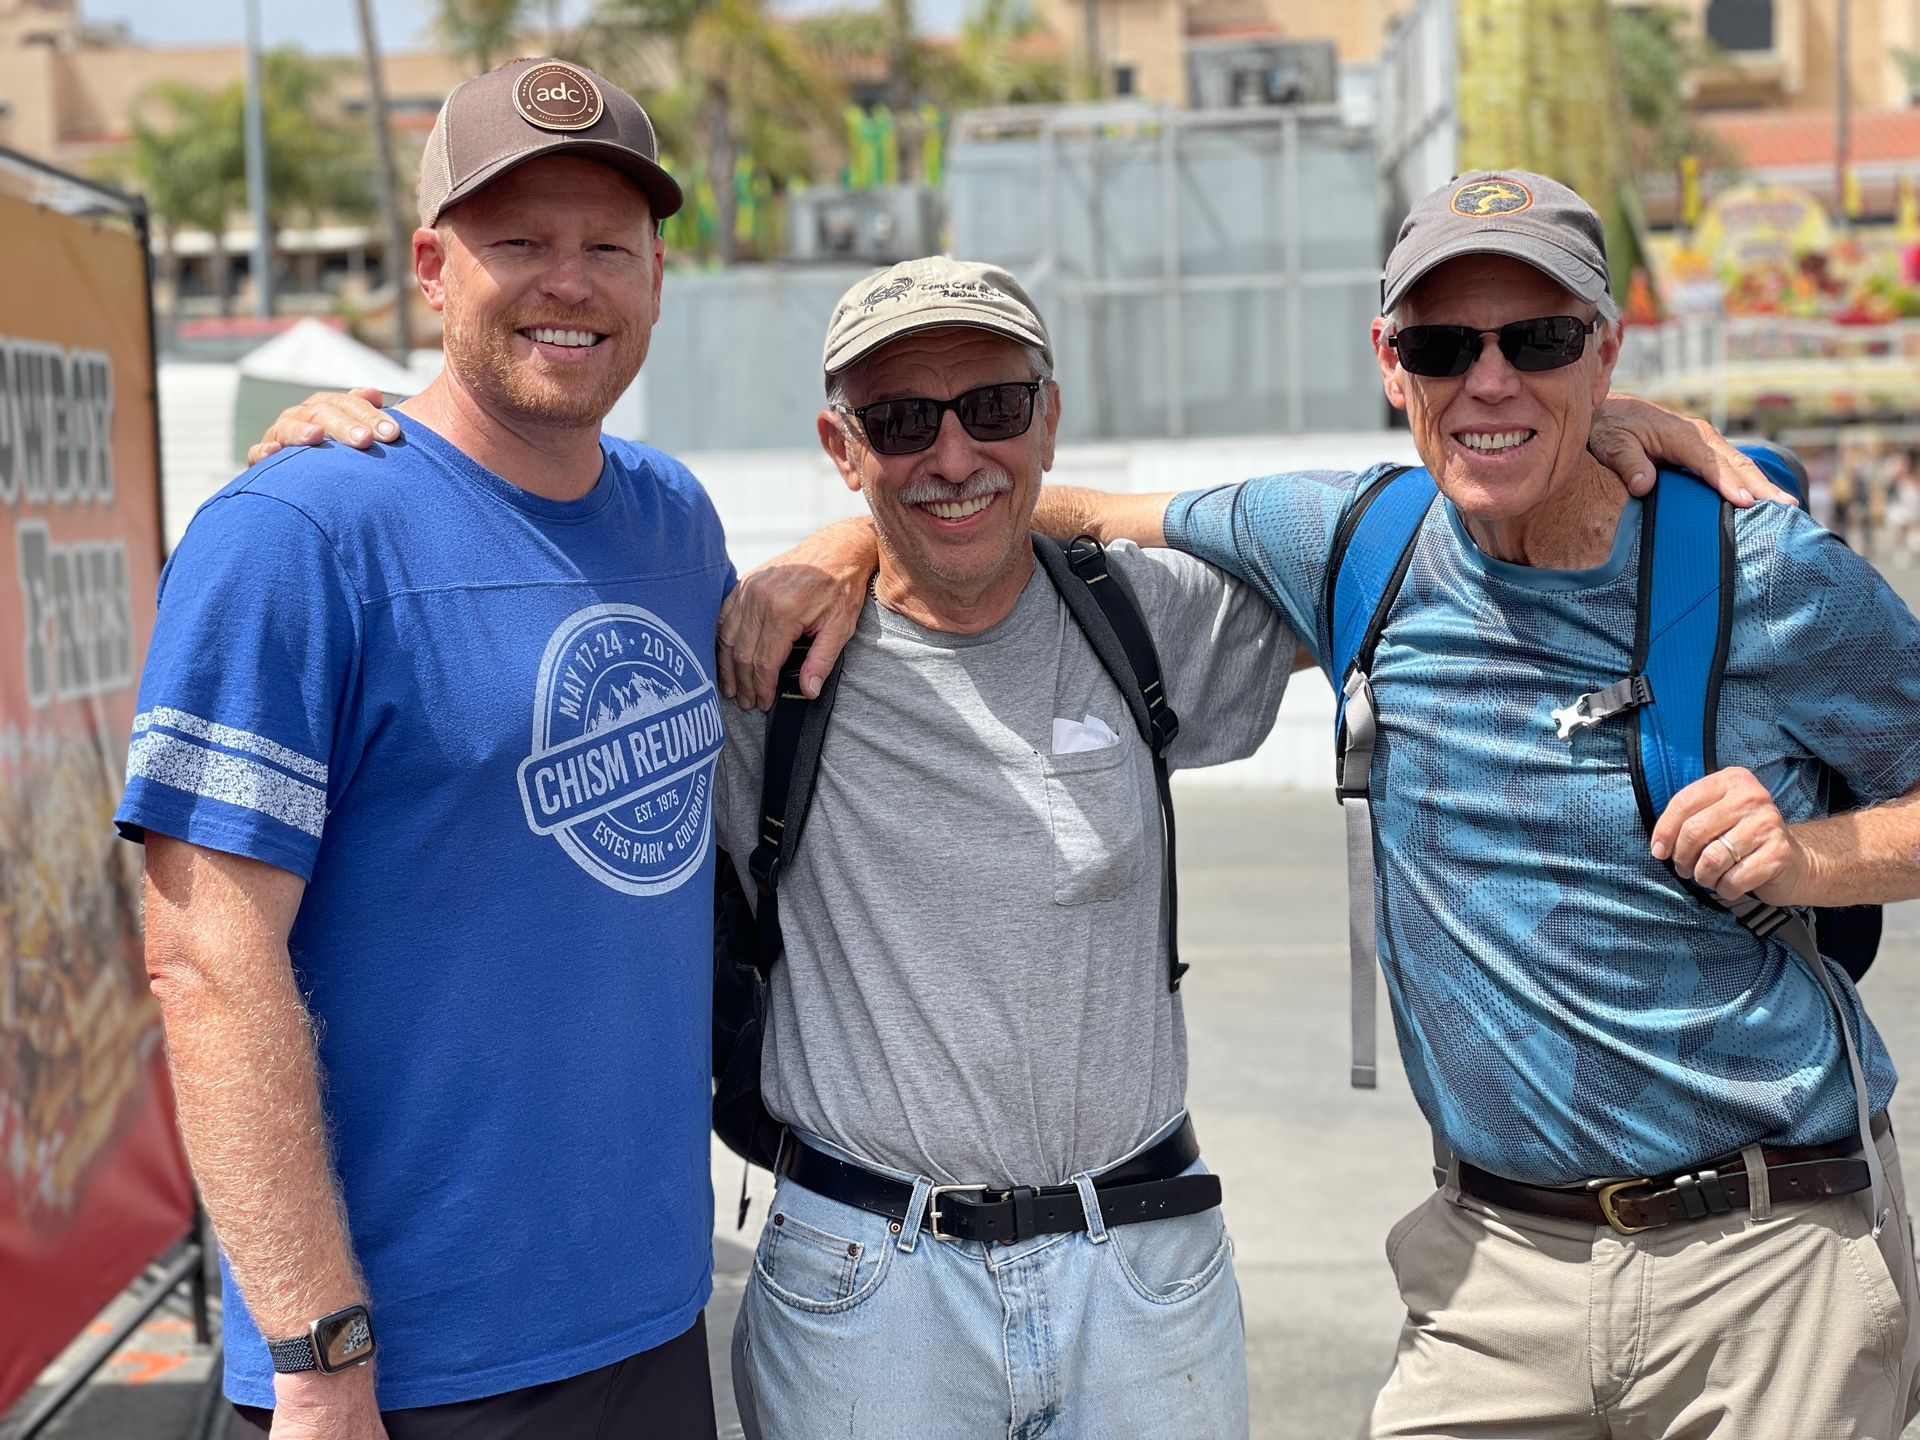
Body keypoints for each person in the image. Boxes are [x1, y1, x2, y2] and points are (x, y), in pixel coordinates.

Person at [265, 260, 1784, 1440]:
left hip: (1148, 1278)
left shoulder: (1152, 620)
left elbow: (1422, 528)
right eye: (901, 422)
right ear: (836, 444)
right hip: (864, 1286)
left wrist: (1601, 433)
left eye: (992, 407)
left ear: (1048, 415)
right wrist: (356, 464)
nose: (953, 454)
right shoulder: (747, 657)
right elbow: (518, 598)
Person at [792, 173, 1918, 1438]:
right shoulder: (1348, 538)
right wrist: (834, 548)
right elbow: (1029, 505)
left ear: (1606, 350)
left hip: (1764, 1265)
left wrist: (1809, 857)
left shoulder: (1761, 571)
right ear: (1394, 366)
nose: (1487, 382)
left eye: (1537, 340)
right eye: (1446, 346)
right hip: (1491, 1274)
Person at [116, 59, 729, 1439]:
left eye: (607, 248)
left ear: (655, 280)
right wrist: (317, 1358)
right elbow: (205, 957)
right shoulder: (296, 533)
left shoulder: (676, 523)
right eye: (518, 241)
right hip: (404, 1378)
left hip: (650, 1323)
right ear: (431, 267)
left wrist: (851, 541)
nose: (568, 281)